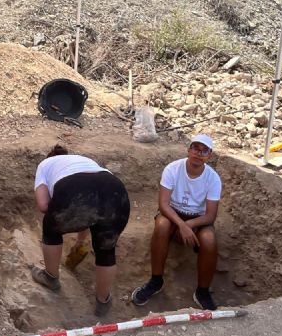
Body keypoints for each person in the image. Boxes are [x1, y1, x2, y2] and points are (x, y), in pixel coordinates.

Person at [31, 145, 130, 317]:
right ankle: (103, 301)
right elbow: (91, 207)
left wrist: (61, 216)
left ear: (48, 157)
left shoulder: (44, 165)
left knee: (51, 228)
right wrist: (79, 241)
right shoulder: (85, 161)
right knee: (106, 250)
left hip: (73, 189)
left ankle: (51, 277)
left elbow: (43, 205)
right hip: (116, 191)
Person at [131, 134, 222, 311]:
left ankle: (202, 291)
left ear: (209, 156)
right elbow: (163, 204)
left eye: (204, 150)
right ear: (188, 150)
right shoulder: (172, 169)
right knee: (162, 225)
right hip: (173, 213)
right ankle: (156, 281)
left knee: (209, 240)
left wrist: (190, 225)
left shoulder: (213, 179)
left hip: (199, 218)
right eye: (195, 148)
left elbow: (210, 216)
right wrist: (181, 224)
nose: (198, 153)